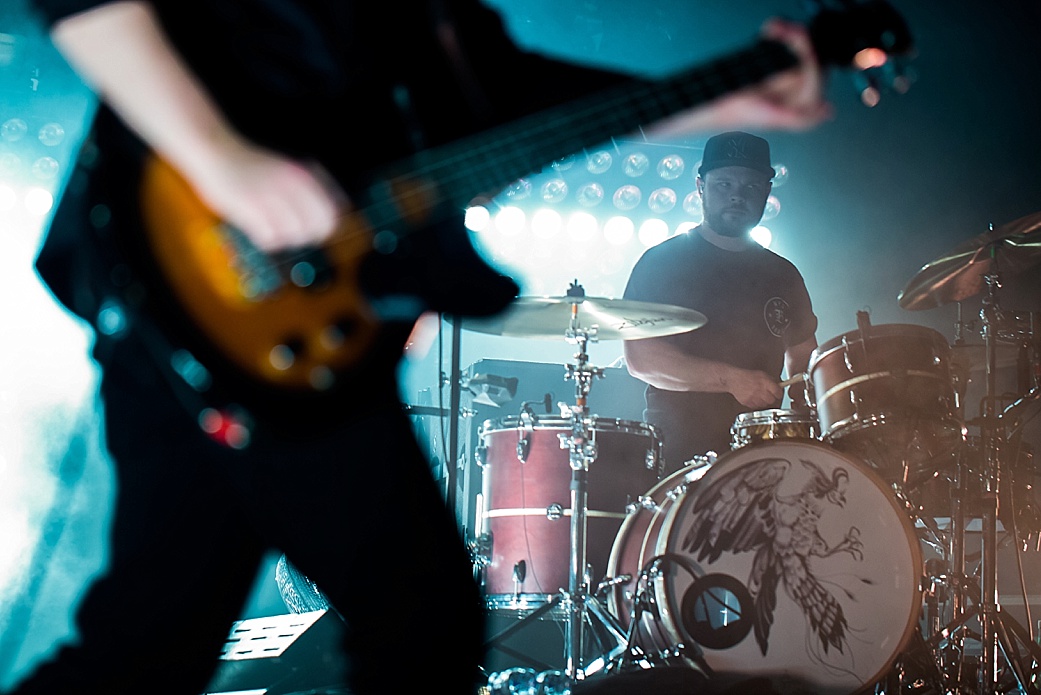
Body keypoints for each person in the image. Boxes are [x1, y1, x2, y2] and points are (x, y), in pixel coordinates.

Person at [9, 1, 830, 694]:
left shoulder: (432, 26)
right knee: (414, 617)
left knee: (155, 638)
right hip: (202, 271)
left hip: (294, 325)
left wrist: (727, 99)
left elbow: (505, 89)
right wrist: (225, 163)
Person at [623, 130, 819, 473]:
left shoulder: (784, 275)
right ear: (700, 187)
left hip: (766, 457)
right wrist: (732, 380)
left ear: (767, 193)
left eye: (750, 187)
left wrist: (812, 417)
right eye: (724, 185)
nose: (736, 197)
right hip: (679, 460)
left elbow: (803, 357)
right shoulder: (661, 262)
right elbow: (642, 359)